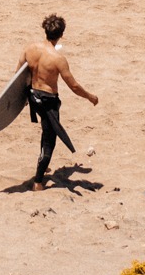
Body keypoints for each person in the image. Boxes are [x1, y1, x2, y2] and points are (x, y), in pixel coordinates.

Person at [21, 15, 99, 189]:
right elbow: (74, 86)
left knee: (45, 132)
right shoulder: (58, 59)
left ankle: (43, 163)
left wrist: (23, 99)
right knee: (49, 139)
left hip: (33, 97)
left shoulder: (29, 49)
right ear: (61, 34)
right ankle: (38, 182)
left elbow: (19, 75)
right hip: (48, 102)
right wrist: (90, 97)